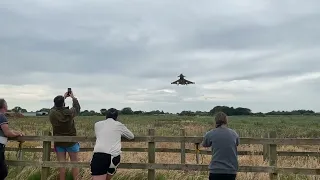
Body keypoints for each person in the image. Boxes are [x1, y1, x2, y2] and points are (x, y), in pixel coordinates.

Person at [90, 108, 134, 180]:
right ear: (117, 117)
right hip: (114, 156)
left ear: (106, 116)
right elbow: (131, 136)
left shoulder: (97, 124)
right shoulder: (119, 125)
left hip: (99, 155)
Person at [49, 92, 81, 180]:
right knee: (75, 164)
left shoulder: (52, 113)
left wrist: (63, 98)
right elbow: (77, 108)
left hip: (59, 142)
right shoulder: (69, 112)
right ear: (63, 103)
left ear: (55, 103)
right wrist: (73, 97)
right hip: (71, 142)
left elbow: (53, 108)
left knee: (62, 165)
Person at [202, 112, 239, 180]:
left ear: (216, 121)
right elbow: (237, 143)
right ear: (226, 121)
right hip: (231, 170)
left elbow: (204, 144)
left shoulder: (211, 133)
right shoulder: (234, 133)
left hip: (216, 169)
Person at [0, 99, 24, 180]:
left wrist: (15, 132)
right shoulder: (1, 117)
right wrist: (18, 134)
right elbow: (7, 132)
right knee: (2, 172)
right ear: (4, 106)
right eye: (6, 105)